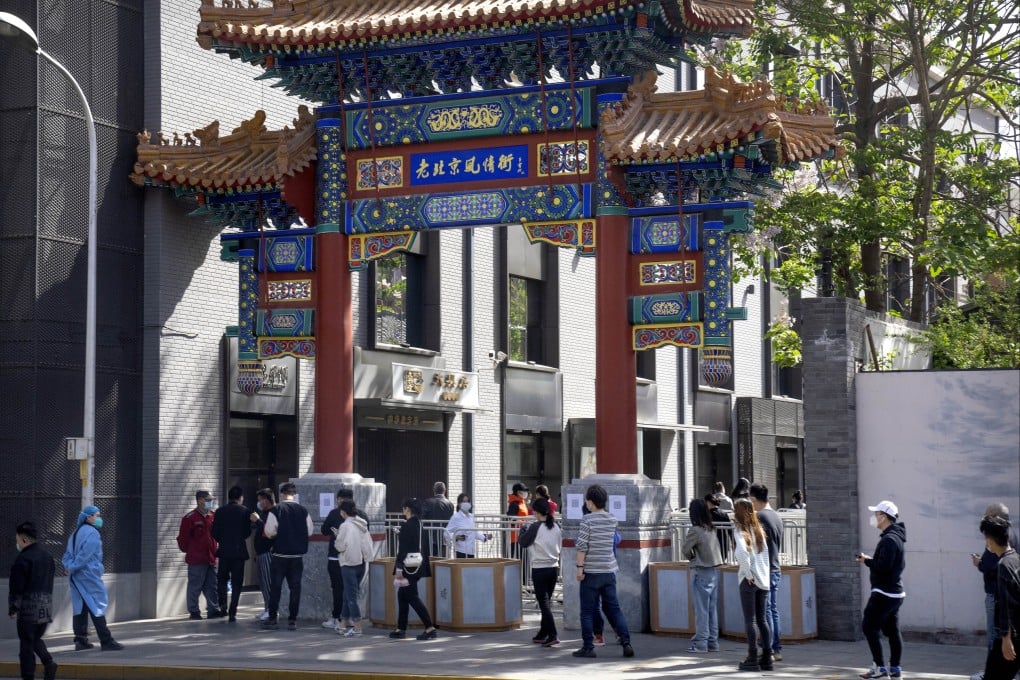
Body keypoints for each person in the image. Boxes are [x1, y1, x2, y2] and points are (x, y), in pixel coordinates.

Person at [572, 484, 634, 660]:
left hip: (591, 572)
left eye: (587, 500)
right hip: (608, 571)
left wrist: (579, 569)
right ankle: (626, 643)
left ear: (590, 502)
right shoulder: (612, 519)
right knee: (614, 609)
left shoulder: (587, 520)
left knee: (587, 611)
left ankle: (588, 647)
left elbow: (582, 546)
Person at [62, 505, 124, 651]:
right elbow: (86, 555)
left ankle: (81, 639)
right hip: (88, 575)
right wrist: (74, 566)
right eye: (96, 515)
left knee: (80, 607)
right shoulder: (92, 533)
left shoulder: (75, 533)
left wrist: (69, 567)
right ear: (88, 517)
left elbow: (68, 555)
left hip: (76, 576)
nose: (98, 518)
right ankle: (106, 640)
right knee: (97, 605)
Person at [856, 499, 907, 679]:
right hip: (894, 592)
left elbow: (883, 566)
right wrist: (871, 560)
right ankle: (895, 668)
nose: (874, 518)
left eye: (876, 514)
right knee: (892, 630)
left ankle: (880, 667)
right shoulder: (895, 537)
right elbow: (888, 564)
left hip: (884, 592)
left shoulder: (889, 539)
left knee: (869, 627)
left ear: (884, 517)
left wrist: (867, 561)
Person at [970, 503, 1020, 680]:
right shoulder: (1014, 558)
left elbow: (1005, 605)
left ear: (990, 540)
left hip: (1007, 635)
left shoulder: (1003, 565)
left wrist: (1006, 639)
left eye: (985, 538)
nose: (986, 542)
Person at [262, 482, 314, 630]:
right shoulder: (303, 511)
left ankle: (272, 618)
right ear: (295, 495)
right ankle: (292, 620)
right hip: (297, 557)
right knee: (295, 588)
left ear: (282, 494)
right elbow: (309, 531)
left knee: (276, 587)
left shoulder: (276, 510)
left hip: (280, 555)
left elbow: (269, 532)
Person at [10, 521, 58, 680]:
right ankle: (49, 663)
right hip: (45, 605)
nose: (17, 543)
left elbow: (17, 587)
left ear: (24, 540)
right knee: (35, 638)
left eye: (17, 540)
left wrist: (13, 608)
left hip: (28, 607)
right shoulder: (48, 557)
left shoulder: (22, 559)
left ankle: (28, 676)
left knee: (26, 644)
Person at [732, 497, 773, 671]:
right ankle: (767, 657)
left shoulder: (740, 530)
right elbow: (765, 557)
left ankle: (752, 657)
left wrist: (748, 573)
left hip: (749, 580)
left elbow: (741, 553)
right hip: (763, 579)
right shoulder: (759, 531)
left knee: (750, 620)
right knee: (762, 620)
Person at [390, 498, 438, 641]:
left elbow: (403, 549)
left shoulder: (407, 525)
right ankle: (401, 628)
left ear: (407, 509)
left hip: (407, 566)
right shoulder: (418, 524)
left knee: (411, 597)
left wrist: (399, 567)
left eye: (403, 508)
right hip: (418, 565)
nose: (403, 511)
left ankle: (430, 628)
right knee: (403, 595)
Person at [518, 497, 562, 647]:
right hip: (554, 567)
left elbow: (523, 542)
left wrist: (522, 531)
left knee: (544, 604)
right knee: (546, 602)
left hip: (539, 569)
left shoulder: (536, 527)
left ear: (536, 512)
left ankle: (553, 634)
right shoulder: (555, 526)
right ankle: (543, 632)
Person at [682, 498, 723, 654]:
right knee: (712, 609)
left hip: (701, 570)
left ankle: (700, 644)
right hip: (714, 571)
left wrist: (692, 557)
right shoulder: (711, 529)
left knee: (701, 610)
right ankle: (713, 642)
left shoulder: (695, 530)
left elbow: (685, 549)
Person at [751, 483, 784, 662]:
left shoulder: (760, 516)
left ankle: (767, 648)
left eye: (751, 500)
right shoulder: (777, 516)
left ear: (754, 499)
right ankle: (776, 648)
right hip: (775, 567)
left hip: (765, 568)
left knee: (765, 612)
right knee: (773, 609)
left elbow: (755, 544)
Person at [176, 490, 221, 620]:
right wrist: (191, 551)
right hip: (197, 558)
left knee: (212, 585)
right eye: (208, 500)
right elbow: (183, 539)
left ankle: (213, 609)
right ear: (200, 500)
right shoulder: (190, 518)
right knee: (195, 586)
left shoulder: (213, 516)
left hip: (211, 557)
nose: (210, 502)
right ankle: (194, 611)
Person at [333, 499, 374, 638]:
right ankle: (343, 625)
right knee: (348, 593)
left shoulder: (345, 526)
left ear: (344, 512)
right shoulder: (362, 524)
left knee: (351, 597)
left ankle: (357, 628)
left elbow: (340, 546)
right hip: (361, 563)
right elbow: (367, 543)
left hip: (348, 563)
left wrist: (337, 536)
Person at [211, 485, 250, 623]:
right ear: (240, 497)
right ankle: (233, 611)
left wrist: (223, 540)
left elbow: (214, 532)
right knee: (237, 582)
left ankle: (223, 606)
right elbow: (247, 532)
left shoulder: (220, 511)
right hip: (239, 552)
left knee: (222, 579)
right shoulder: (245, 511)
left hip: (224, 551)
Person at [320, 487, 351, 631]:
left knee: (338, 589)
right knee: (351, 589)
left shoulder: (334, 513)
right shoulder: (361, 515)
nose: (339, 501)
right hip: (353, 559)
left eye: (340, 498)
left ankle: (337, 617)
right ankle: (350, 617)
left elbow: (324, 530)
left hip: (335, 557)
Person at [250, 488, 275, 621]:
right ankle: (267, 608)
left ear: (266, 500)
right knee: (263, 583)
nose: (259, 503)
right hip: (260, 552)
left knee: (267, 582)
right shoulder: (264, 513)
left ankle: (271, 610)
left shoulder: (273, 513)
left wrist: (258, 521)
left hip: (267, 553)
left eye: (260, 500)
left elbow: (269, 532)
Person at [444, 493, 491, 558]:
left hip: (471, 550)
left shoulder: (471, 517)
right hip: (461, 551)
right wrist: (455, 536)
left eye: (468, 501)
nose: (466, 503)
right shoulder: (456, 517)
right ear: (459, 504)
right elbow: (446, 532)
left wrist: (485, 536)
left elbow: (474, 532)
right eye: (464, 502)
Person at [421, 482, 455, 557]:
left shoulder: (428, 502)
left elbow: (422, 517)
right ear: (445, 490)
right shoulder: (450, 504)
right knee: (442, 563)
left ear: (434, 490)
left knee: (429, 562)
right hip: (444, 537)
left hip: (430, 538)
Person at [507, 483, 531, 559]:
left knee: (525, 561)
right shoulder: (514, 504)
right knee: (518, 560)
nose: (525, 493)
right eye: (524, 491)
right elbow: (511, 518)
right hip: (516, 537)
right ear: (518, 492)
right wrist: (523, 522)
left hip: (524, 534)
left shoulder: (522, 502)